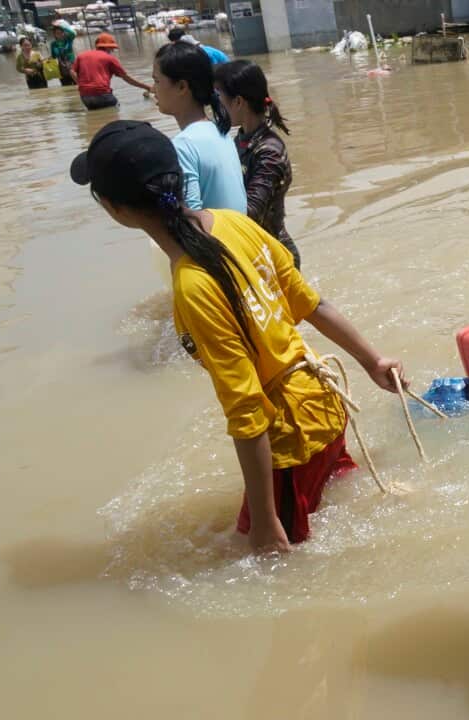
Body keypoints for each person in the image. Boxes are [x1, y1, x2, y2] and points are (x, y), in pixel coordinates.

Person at [69, 120, 406, 553]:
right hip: (325, 406)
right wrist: (373, 361)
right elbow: (312, 304)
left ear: (114, 209)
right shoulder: (232, 223)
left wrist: (264, 521)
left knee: (260, 559)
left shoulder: (192, 286)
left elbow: (247, 410)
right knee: (341, 505)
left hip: (291, 439)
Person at [215, 60, 300, 267]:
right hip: (252, 251)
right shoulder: (239, 140)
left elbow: (251, 212)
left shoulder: (269, 151)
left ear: (238, 102)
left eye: (219, 97)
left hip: (274, 257)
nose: (216, 107)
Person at [153, 42, 246, 212]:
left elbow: (193, 219)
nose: (153, 89)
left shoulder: (183, 145)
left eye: (157, 81)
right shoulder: (220, 132)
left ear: (182, 87)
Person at [71, 33, 152, 110]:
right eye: (112, 48)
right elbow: (127, 78)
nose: (112, 50)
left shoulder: (81, 56)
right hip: (102, 94)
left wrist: (81, 85)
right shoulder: (110, 58)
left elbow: (72, 71)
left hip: (85, 97)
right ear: (107, 47)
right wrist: (147, 87)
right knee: (115, 112)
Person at [48, 20, 76, 86]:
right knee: (66, 86)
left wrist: (62, 26)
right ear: (54, 34)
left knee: (76, 84)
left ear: (64, 33)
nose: (60, 35)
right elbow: (53, 56)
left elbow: (73, 33)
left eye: (61, 33)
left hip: (72, 65)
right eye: (57, 33)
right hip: (61, 67)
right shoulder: (53, 44)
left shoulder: (68, 40)